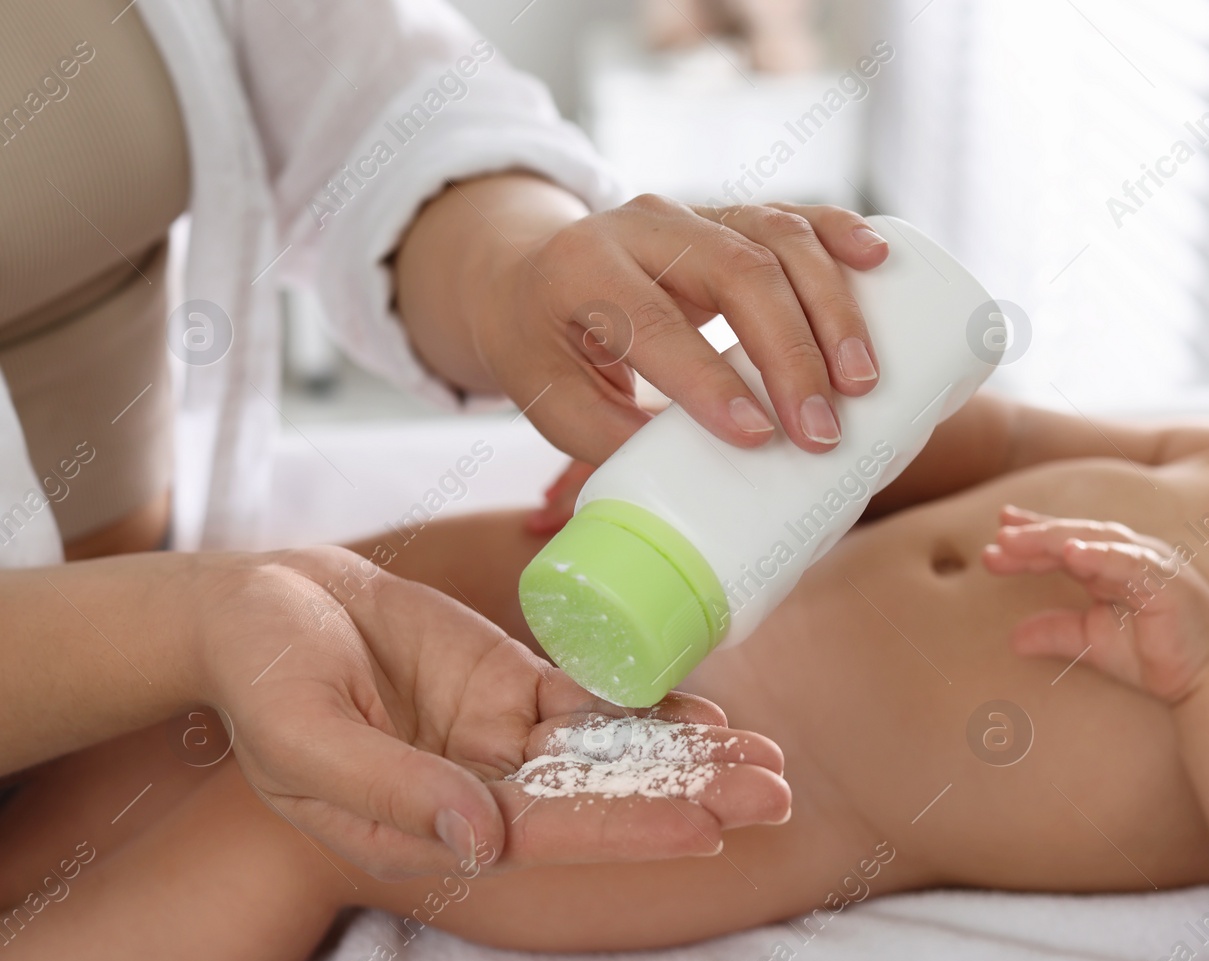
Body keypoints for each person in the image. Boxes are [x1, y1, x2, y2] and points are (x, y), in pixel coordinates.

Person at [7, 394, 1209, 961]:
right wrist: (760, 445)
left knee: (319, 813)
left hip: (733, 777)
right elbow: (983, 438)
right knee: (296, 624)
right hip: (681, 584)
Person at [0, 0, 889, 877]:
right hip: (170, 673)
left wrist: (515, 268)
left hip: (174, 670)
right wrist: (192, 622)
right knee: (275, 864)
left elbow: (381, 107)